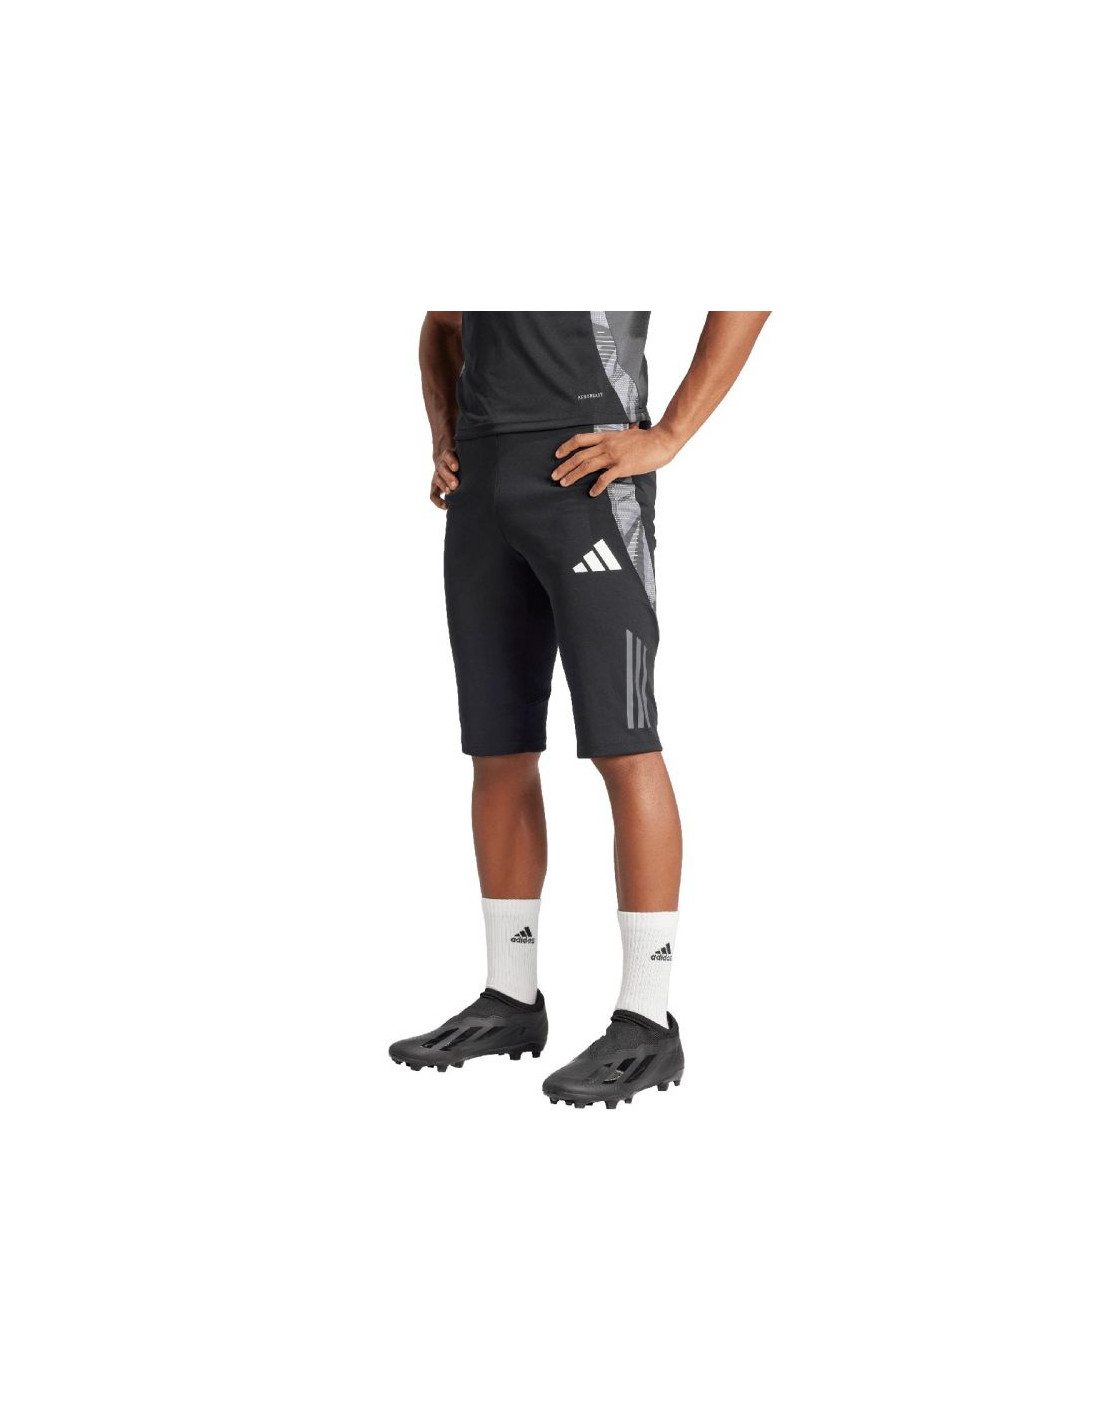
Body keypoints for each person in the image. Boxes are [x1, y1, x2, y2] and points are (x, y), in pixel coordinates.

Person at [389, 311, 770, 1108]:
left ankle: (646, 1020)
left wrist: (668, 435)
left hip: (591, 480)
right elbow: (442, 324)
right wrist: (444, 433)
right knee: (497, 747)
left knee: (623, 743)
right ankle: (510, 998)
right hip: (482, 488)